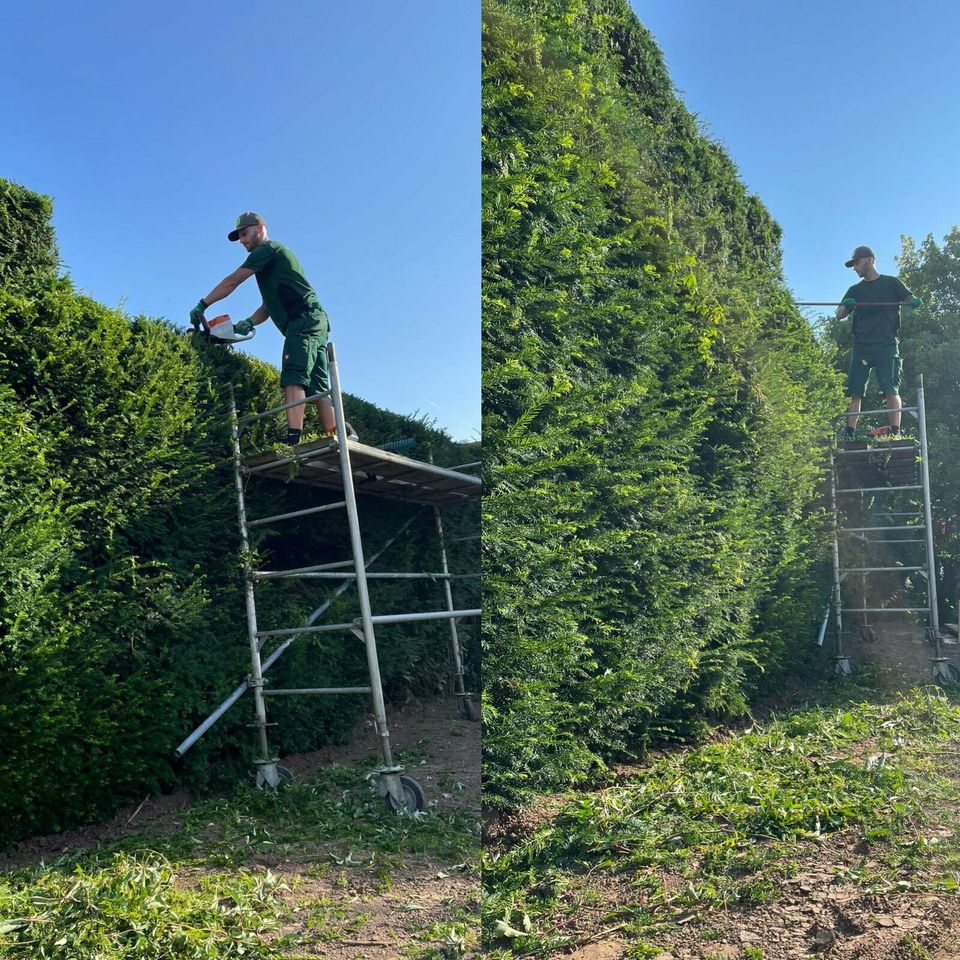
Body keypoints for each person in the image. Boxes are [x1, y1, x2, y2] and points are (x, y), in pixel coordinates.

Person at [189, 212, 351, 446]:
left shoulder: (266, 250)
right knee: (318, 388)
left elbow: (233, 281)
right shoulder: (273, 262)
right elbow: (268, 306)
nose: (243, 240)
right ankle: (338, 436)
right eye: (240, 237)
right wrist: (249, 322)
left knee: (293, 378)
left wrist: (203, 304)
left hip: (302, 322)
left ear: (261, 228)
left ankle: (292, 441)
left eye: (245, 233)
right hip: (315, 321)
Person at [835, 245, 921, 440]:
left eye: (857, 263)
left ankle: (896, 432)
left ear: (870, 260)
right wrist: (846, 306)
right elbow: (839, 315)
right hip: (862, 346)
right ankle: (849, 434)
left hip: (887, 344)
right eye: (853, 265)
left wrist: (914, 300)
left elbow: (909, 297)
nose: (855, 268)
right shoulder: (854, 290)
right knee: (855, 391)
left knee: (891, 388)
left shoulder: (891, 284)